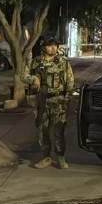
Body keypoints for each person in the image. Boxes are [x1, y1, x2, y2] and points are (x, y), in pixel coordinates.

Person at [27, 37, 75, 169]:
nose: (53, 48)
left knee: (58, 131)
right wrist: (33, 79)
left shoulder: (63, 62)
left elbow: (70, 81)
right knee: (43, 130)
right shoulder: (37, 61)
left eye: (55, 45)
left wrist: (67, 99)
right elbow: (25, 75)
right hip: (42, 100)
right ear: (44, 47)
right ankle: (46, 157)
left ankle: (60, 157)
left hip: (58, 100)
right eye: (50, 45)